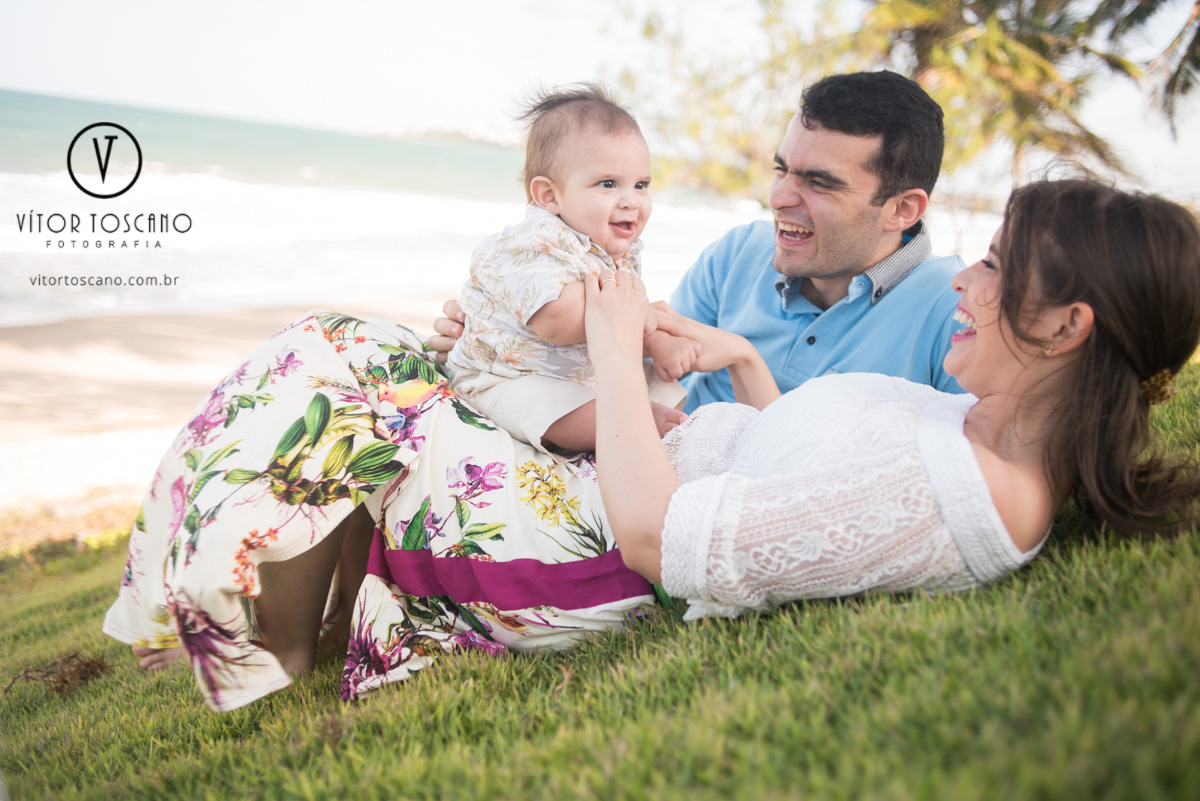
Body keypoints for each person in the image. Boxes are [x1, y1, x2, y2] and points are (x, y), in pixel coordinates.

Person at [103, 178, 1200, 711]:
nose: (967, 280)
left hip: (591, 551)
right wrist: (742, 358)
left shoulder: (969, 495)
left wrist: (616, 353)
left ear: (1069, 326)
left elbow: (659, 541)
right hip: (628, 472)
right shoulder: (977, 427)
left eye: (998, 268)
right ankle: (282, 634)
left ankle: (279, 655)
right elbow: (805, 451)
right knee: (365, 353)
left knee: (344, 370)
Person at [429, 71, 966, 410]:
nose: (779, 197)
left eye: (819, 182)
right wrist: (506, 339)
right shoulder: (740, 253)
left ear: (902, 210)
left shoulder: (956, 312)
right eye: (782, 169)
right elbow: (644, 361)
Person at [445, 84, 694, 454]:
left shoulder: (617, 248)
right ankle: (635, 422)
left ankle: (652, 422)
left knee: (660, 383)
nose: (631, 200)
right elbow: (558, 323)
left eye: (641, 185)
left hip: (576, 374)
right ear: (550, 196)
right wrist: (638, 312)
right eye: (608, 184)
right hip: (505, 376)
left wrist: (655, 341)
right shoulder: (530, 243)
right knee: (544, 405)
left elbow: (620, 327)